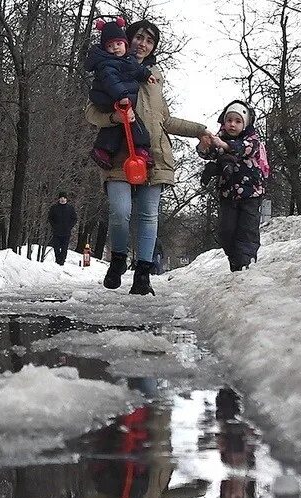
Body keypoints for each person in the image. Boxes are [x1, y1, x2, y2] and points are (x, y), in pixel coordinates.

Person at [85, 19, 211, 295]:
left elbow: (164, 120)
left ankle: (143, 274)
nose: (143, 43)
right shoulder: (110, 66)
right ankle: (118, 259)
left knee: (148, 215)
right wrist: (114, 117)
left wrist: (200, 130)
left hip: (154, 155)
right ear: (127, 38)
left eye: (149, 40)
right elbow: (91, 112)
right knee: (120, 212)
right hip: (119, 153)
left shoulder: (154, 76)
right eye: (139, 37)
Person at [197, 100, 266, 272]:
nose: (232, 124)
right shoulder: (219, 138)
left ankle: (246, 263)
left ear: (245, 123)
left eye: (237, 121)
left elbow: (244, 149)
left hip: (251, 195)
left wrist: (224, 145)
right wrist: (203, 145)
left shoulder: (252, 140)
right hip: (227, 195)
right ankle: (235, 260)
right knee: (226, 231)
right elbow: (208, 153)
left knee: (247, 231)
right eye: (229, 120)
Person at [84, 17, 155, 170]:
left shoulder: (128, 61)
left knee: (121, 123)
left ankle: (103, 149)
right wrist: (122, 97)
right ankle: (141, 148)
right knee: (132, 121)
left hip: (117, 97)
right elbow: (111, 82)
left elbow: (138, 70)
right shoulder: (107, 63)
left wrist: (147, 75)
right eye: (110, 46)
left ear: (125, 44)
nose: (116, 48)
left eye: (118, 44)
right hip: (107, 97)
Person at [47, 191, 77, 265]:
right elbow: (50, 218)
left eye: (64, 198)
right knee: (56, 247)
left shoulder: (70, 208)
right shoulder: (54, 208)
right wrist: (54, 226)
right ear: (59, 199)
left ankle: (62, 261)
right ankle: (58, 260)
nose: (62, 199)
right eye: (61, 198)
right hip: (56, 231)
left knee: (64, 248)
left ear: (66, 199)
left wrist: (70, 226)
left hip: (66, 232)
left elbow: (74, 219)